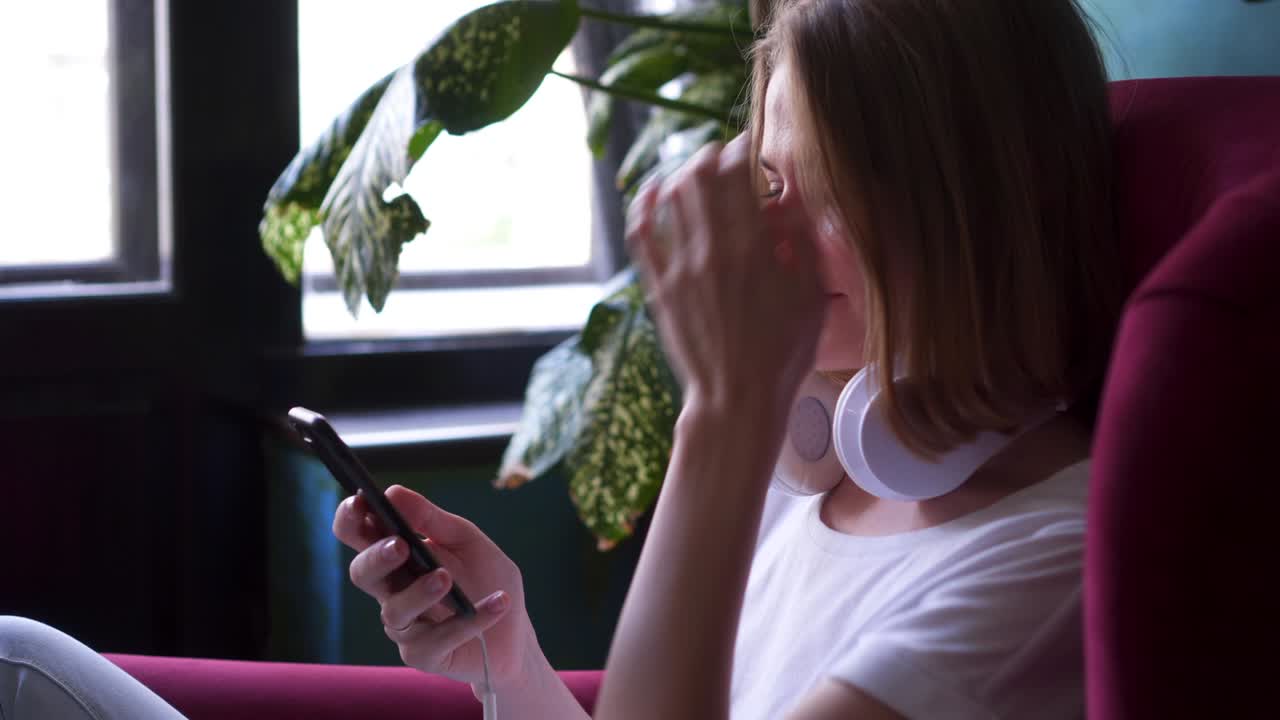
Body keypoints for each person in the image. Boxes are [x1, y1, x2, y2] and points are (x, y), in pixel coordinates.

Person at [0, 1, 1122, 718]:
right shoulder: (839, 471)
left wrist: (720, 417)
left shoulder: (1042, 572)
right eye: (770, 183)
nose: (769, 239)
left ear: (972, 215)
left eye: (834, 199)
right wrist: (509, 657)